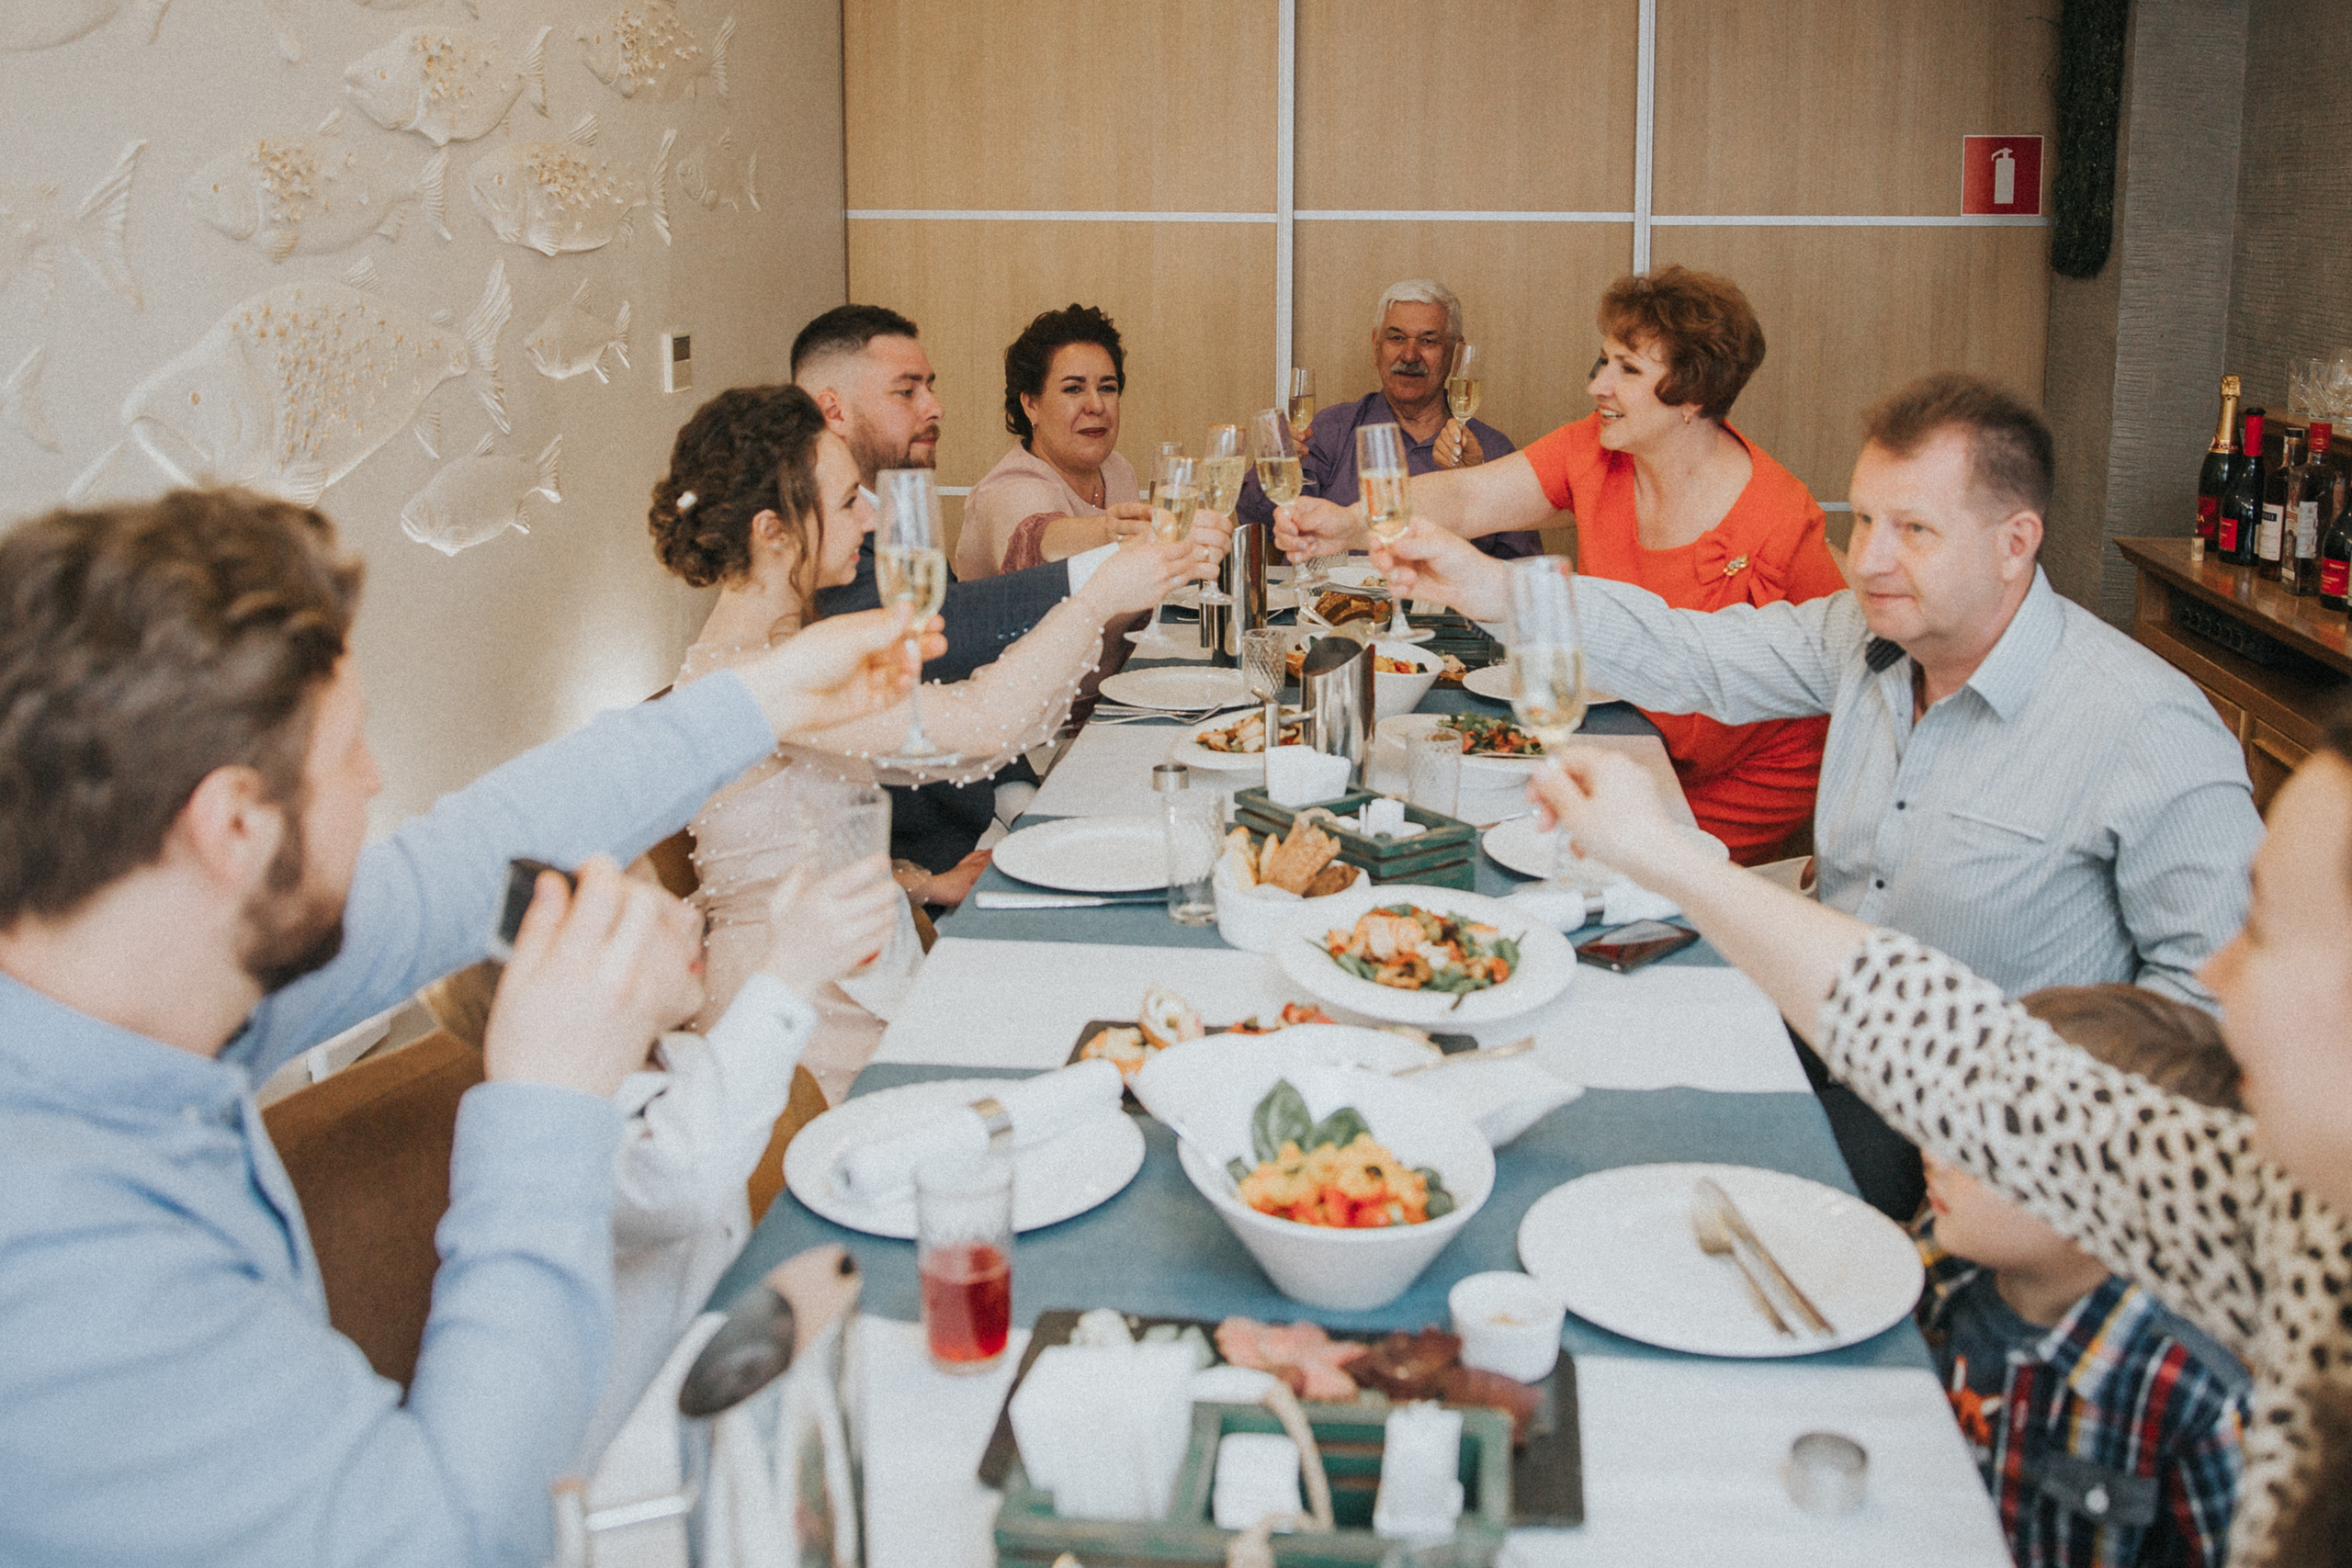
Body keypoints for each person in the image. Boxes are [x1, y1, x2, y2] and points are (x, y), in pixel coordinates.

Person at [0, 490, 933, 1566]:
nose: (375, 779)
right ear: (235, 826)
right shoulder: (59, 1263)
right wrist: (545, 1105)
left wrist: (759, 700)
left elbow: (460, 861)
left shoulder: (146, 979)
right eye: (348, 751)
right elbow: (464, 1546)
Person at [1363, 373, 2263, 1218]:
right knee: (1578, 1067)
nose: (1866, 560)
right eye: (1862, 519)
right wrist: (1489, 588)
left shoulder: (2144, 726)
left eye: (1912, 530)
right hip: (1810, 1019)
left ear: (2014, 543)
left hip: (1971, 1123)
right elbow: (1690, 652)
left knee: (1660, 1190)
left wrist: (2048, 1147)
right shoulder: (1865, 635)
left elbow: (2217, 1024)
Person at [1516, 703, 2352, 1566]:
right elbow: (1966, 1062)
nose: (2215, 971)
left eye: (2261, 932)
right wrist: (1659, 853)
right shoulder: (2290, 1210)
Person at [647, 383, 1216, 1091]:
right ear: (773, 531)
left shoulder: (784, 647)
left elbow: (803, 832)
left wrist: (918, 881)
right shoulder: (762, 681)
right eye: (849, 500)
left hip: (854, 961)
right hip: (800, 1021)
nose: (870, 517)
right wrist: (1096, 597)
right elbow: (980, 727)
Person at [1271, 267, 1845, 861]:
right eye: (1603, 362)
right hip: (1624, 737)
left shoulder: (1777, 515)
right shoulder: (1594, 449)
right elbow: (1468, 497)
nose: (1598, 386)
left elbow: (1854, 667)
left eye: (1627, 369)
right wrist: (1350, 522)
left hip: (1738, 784)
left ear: (1692, 395)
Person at [416, 857, 899, 1502]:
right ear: (575, 974)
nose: (687, 909)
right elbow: (682, 1179)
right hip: (625, 1484)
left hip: (715, 1414)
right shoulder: (562, 1131)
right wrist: (790, 970)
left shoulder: (686, 1060)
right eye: (648, 908)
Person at [790, 305, 1215, 904]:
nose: (935, 406)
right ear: (833, 409)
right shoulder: (816, 542)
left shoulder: (892, 504)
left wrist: (1021, 798)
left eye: (930, 386)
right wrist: (1102, 573)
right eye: (908, 390)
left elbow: (958, 658)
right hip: (922, 846)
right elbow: (947, 629)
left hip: (987, 793)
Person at [1918, 984, 2249, 1568]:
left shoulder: (2194, 1393)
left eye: (1983, 1143)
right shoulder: (1947, 1266)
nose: (1934, 1148)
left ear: (2106, 1207)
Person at [1235, 278, 1540, 560]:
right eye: (1396, 338)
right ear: (1376, 345)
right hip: (1338, 615)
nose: (1409, 355)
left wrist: (1474, 484)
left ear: (1455, 352)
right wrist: (1273, 465)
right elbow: (1256, 517)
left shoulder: (1494, 451)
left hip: (1444, 617)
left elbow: (1521, 573)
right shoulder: (1330, 430)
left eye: (1428, 341)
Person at [959, 302, 1155, 578]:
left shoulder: (1118, 469)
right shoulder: (1009, 489)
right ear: (1031, 405)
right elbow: (1038, 539)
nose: (1096, 405)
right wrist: (1110, 531)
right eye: (1073, 389)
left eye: (1107, 388)